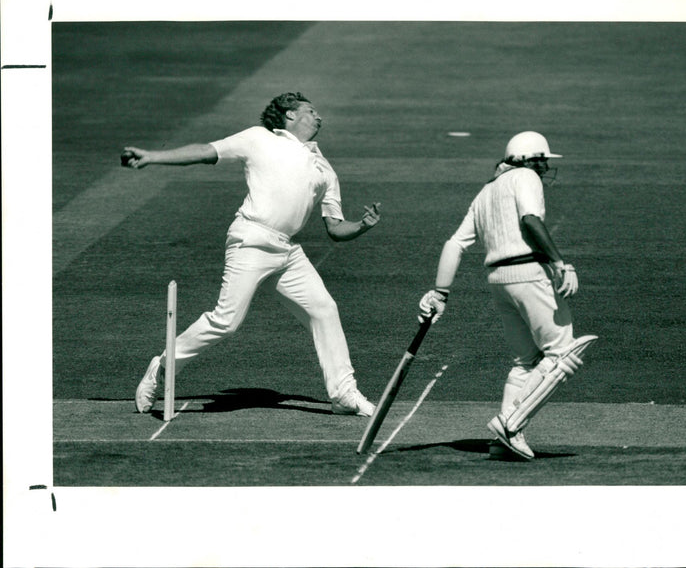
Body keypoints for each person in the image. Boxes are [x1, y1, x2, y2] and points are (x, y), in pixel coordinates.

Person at [122, 92, 381, 417]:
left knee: (324, 309)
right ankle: (160, 369)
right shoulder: (258, 138)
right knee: (226, 322)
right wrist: (152, 157)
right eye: (311, 111)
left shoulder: (324, 167)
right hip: (252, 239)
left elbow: (335, 226)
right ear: (289, 116)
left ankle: (344, 394)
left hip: (287, 250)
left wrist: (362, 226)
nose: (319, 117)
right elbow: (205, 152)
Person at [418, 131, 598, 460]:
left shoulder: (486, 191)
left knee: (526, 362)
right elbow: (530, 220)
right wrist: (560, 264)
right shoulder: (525, 177)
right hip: (530, 273)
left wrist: (440, 293)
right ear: (527, 160)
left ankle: (504, 443)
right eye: (541, 159)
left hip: (499, 280)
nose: (544, 167)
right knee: (563, 353)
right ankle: (510, 424)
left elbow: (455, 244)